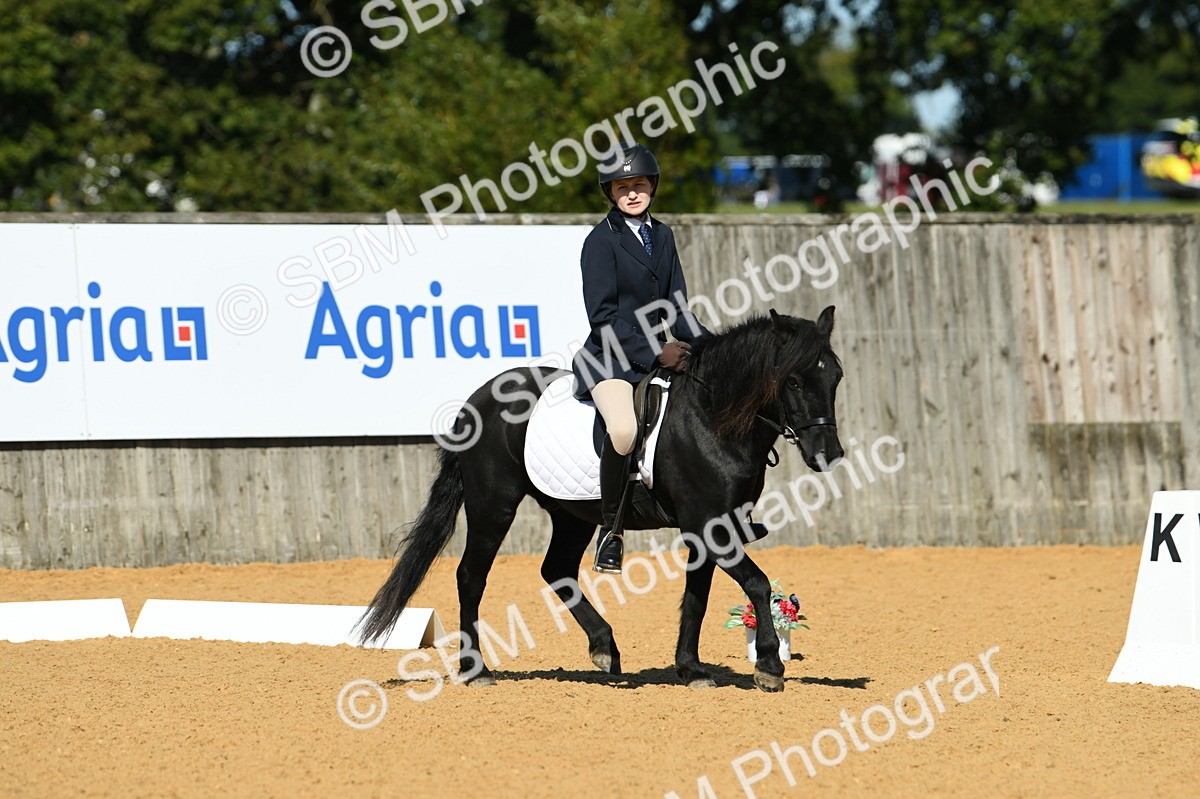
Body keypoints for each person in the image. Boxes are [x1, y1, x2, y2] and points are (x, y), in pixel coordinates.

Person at [571, 143, 710, 574]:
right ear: (610, 193)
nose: (632, 193)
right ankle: (610, 532)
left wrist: (709, 348)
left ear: (652, 186)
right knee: (625, 428)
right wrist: (656, 351)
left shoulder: (663, 235)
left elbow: (678, 306)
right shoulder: (600, 242)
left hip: (658, 359)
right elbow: (603, 317)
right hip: (610, 361)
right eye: (622, 187)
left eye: (639, 185)